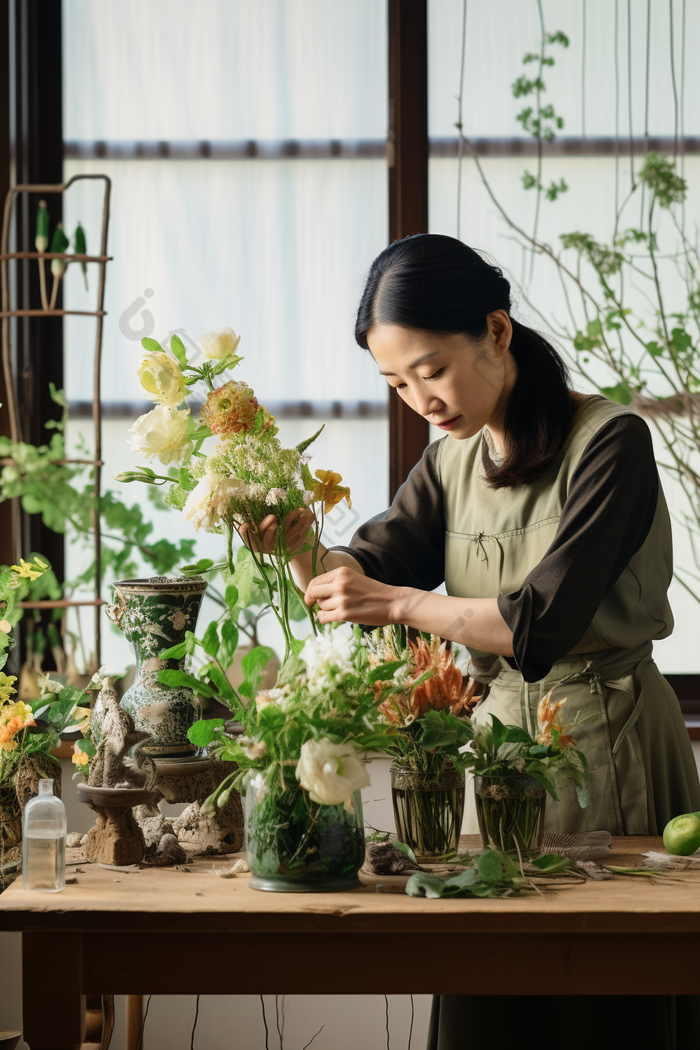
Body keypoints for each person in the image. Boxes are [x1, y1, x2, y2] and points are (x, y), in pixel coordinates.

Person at [248, 233, 700, 1048]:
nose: (420, 397)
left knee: (605, 999)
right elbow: (373, 565)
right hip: (496, 751)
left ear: (495, 331)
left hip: (607, 740)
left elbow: (541, 620)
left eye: (430, 369)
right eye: (394, 382)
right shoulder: (450, 458)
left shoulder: (611, 443)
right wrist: (296, 546)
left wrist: (394, 602)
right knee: (491, 988)